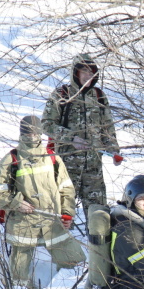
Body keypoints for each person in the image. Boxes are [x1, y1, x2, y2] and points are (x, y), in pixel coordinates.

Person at [0, 116, 85, 289]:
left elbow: (66, 188)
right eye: (27, 132)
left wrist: (67, 213)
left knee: (74, 262)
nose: (32, 136)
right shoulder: (11, 160)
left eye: (35, 132)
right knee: (19, 273)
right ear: (21, 133)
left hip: (52, 222)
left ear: (40, 133)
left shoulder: (51, 157)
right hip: (23, 224)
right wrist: (16, 203)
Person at [42, 54, 121, 216]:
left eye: (91, 72)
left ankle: (96, 241)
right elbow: (46, 124)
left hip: (93, 169)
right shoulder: (61, 94)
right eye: (84, 72)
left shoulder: (99, 96)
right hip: (66, 168)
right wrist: (71, 138)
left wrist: (114, 150)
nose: (88, 76)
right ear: (75, 73)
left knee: (99, 217)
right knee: (62, 216)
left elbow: (107, 127)